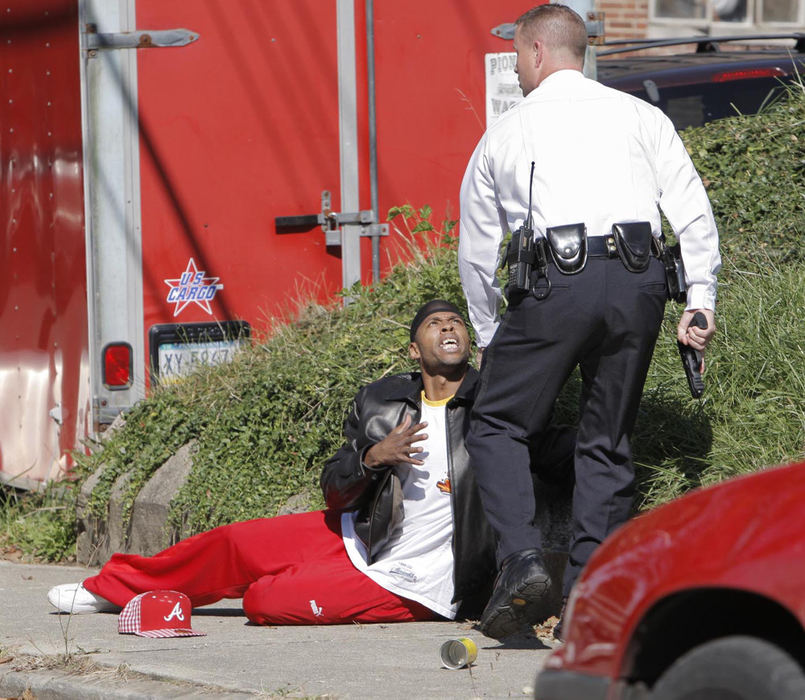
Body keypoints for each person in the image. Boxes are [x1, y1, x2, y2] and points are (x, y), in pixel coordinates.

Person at [49, 300, 575, 626]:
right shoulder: (383, 401)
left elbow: (560, 451)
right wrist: (373, 458)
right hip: (364, 533)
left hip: (423, 581)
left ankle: (294, 584)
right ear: (414, 350)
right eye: (434, 323)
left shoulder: (496, 409)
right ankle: (111, 589)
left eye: (456, 321)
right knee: (235, 543)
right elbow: (335, 489)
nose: (448, 328)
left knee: (264, 601)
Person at [458, 4, 720, 640]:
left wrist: (489, 335)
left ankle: (522, 561)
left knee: (496, 422)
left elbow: (476, 246)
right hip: (639, 285)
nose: (518, 70)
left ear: (539, 54)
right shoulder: (640, 114)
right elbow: (691, 206)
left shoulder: (506, 130)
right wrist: (699, 299)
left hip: (556, 287)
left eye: (520, 57)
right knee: (605, 441)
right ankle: (588, 598)